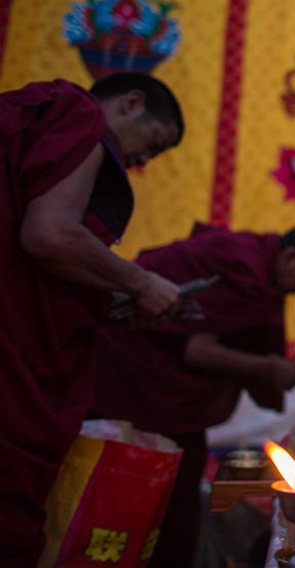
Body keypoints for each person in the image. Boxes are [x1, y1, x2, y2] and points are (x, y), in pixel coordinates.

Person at [0, 72, 184, 564]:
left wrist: (109, 301)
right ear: (130, 103)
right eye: (154, 143)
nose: (143, 162)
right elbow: (50, 237)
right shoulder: (76, 115)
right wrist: (140, 282)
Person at [91, 222, 295, 566]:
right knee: (163, 483)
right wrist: (267, 368)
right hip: (133, 373)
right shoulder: (243, 267)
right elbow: (197, 351)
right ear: (291, 257)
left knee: (179, 480)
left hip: (149, 379)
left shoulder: (251, 260)